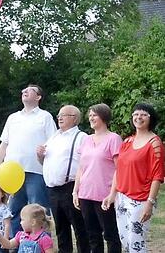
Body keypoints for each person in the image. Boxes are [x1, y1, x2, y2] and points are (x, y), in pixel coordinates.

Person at [0, 84, 57, 236]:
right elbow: (4, 145)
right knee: (14, 212)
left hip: (36, 172)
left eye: (30, 90)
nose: (24, 91)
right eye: (23, 90)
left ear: (38, 97)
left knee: (38, 211)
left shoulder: (45, 117)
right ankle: (16, 246)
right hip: (11, 175)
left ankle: (41, 245)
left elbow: (53, 144)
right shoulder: (13, 118)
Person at [102, 103, 163, 252]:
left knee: (137, 242)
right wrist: (112, 194)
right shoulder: (127, 142)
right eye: (136, 114)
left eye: (143, 114)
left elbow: (157, 175)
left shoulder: (155, 143)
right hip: (122, 198)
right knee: (126, 240)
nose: (138, 117)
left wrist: (150, 202)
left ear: (151, 118)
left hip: (141, 199)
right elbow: (119, 170)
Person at [35, 105, 89, 253]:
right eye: (59, 114)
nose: (60, 117)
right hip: (52, 189)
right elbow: (45, 161)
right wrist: (40, 155)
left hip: (70, 187)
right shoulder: (54, 136)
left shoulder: (81, 137)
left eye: (64, 115)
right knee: (60, 228)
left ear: (74, 118)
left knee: (79, 228)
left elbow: (87, 162)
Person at [73, 103, 122, 253]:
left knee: (111, 234)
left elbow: (119, 169)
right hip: (85, 194)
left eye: (94, 115)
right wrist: (75, 191)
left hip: (105, 195)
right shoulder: (86, 139)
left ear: (104, 117)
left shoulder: (113, 139)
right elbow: (81, 168)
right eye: (90, 115)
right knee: (92, 234)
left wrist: (113, 194)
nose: (91, 118)